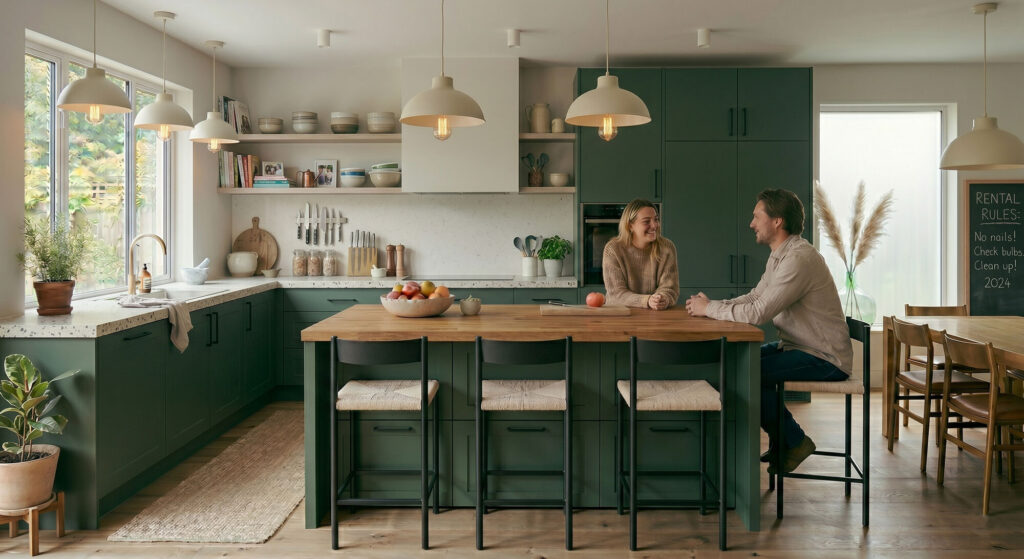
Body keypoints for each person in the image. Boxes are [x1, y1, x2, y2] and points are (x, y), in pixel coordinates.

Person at [685, 189, 852, 474]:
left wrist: (710, 308)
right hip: (798, 347)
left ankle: (794, 441)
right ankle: (784, 442)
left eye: (756, 216)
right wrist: (713, 304)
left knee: (744, 371)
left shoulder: (799, 259)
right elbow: (754, 298)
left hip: (823, 358)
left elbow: (758, 313)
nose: (752, 223)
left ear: (777, 221)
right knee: (735, 363)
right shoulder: (780, 256)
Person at [602, 199, 679, 310]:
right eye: (646, 221)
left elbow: (669, 288)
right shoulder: (613, 249)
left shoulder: (666, 248)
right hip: (620, 315)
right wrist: (646, 300)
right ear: (630, 226)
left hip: (656, 315)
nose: (654, 225)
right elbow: (616, 294)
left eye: (656, 219)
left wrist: (662, 299)